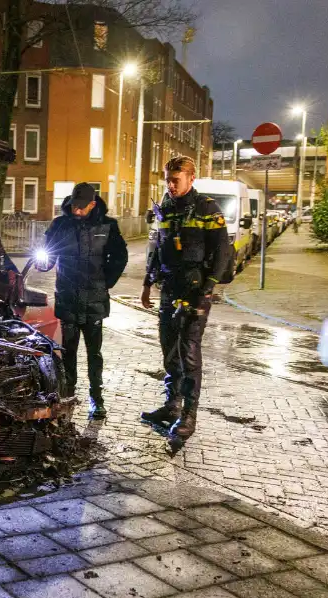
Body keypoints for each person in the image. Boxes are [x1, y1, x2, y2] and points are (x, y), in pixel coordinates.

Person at [140, 156, 232, 448]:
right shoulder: (165, 207)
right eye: (167, 179)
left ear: (191, 178)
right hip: (169, 288)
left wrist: (208, 290)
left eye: (175, 180)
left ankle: (189, 416)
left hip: (196, 291)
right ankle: (172, 405)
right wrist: (146, 283)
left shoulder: (207, 208)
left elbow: (222, 252)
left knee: (189, 353)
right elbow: (157, 247)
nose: (170, 185)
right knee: (169, 350)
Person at [42, 182, 127, 417]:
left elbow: (120, 256)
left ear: (92, 204)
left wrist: (105, 282)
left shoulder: (107, 226)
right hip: (68, 297)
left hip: (94, 300)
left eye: (81, 207)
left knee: (94, 353)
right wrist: (43, 262)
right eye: (74, 206)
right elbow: (47, 254)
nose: (76, 211)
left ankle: (96, 398)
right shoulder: (60, 225)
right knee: (68, 351)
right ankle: (68, 394)